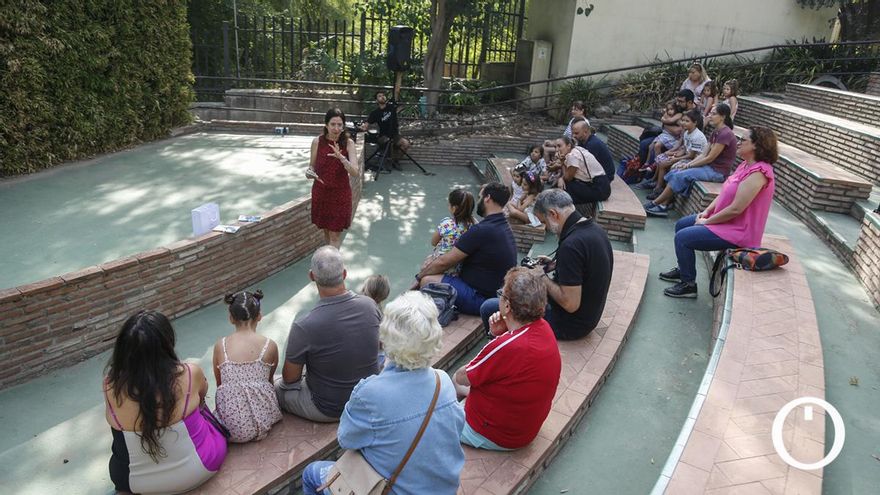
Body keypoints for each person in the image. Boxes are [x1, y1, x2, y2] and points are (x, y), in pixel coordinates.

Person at [301, 291, 465, 495]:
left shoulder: (370, 392)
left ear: (386, 335)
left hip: (391, 489)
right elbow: (455, 430)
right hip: (444, 489)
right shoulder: (443, 381)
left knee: (311, 473)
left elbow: (347, 439)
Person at [104, 310, 227, 494]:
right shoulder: (190, 373)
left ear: (122, 350)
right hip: (200, 469)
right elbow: (202, 398)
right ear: (167, 344)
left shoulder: (110, 385)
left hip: (134, 484)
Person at [659, 126, 778, 298]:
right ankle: (684, 268)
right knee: (682, 224)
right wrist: (707, 211)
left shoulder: (759, 173)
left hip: (740, 231)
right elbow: (724, 193)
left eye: (742, 140)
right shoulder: (745, 165)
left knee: (683, 238)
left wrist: (707, 221)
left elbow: (737, 209)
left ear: (756, 145)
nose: (737, 143)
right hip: (725, 221)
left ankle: (688, 285)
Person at [480, 189, 614, 340]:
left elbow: (570, 304)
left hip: (571, 325)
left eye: (544, 222)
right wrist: (556, 264)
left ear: (553, 214)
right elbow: (585, 269)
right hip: (589, 317)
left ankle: (503, 351)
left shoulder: (572, 245)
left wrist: (541, 276)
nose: (548, 228)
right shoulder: (595, 229)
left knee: (490, 307)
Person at [454, 268, 561, 450]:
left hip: (497, 435)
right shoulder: (544, 327)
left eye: (501, 295)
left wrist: (498, 339)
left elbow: (461, 376)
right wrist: (499, 335)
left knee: (447, 386)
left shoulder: (510, 344)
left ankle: (461, 419)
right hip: (524, 428)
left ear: (508, 306)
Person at [275, 246, 381, 422]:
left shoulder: (304, 325)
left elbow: (290, 378)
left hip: (329, 409)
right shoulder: (370, 305)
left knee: (275, 386)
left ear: (311, 276)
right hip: (369, 398)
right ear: (344, 274)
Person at [417, 182, 517, 315]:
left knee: (427, 281)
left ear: (487, 198)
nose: (479, 201)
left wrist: (418, 278)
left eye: (480, 197)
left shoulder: (482, 230)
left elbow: (443, 262)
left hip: (479, 298)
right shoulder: (502, 225)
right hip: (493, 291)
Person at [643, 103, 738, 217]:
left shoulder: (725, 134)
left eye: (713, 114)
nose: (710, 116)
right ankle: (664, 204)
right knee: (675, 171)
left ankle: (655, 204)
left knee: (680, 175)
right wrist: (687, 165)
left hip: (717, 171)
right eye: (710, 113)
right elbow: (703, 154)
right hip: (708, 167)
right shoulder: (715, 132)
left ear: (723, 116)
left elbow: (710, 158)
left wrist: (688, 166)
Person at [213, 290, 283, 443]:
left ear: (231, 318)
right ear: (259, 316)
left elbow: (220, 385)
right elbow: (269, 381)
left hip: (231, 429)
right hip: (263, 421)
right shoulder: (269, 345)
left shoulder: (220, 346)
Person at [307, 108, 360, 248]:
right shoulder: (317, 142)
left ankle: (334, 268)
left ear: (343, 126)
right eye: (333, 124)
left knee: (334, 236)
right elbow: (311, 167)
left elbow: (355, 172)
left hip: (340, 194)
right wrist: (309, 172)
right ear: (326, 125)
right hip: (321, 193)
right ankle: (329, 264)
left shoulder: (348, 143)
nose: (336, 128)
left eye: (340, 125)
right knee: (326, 232)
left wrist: (342, 158)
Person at [644, 110, 707, 198]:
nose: (684, 123)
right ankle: (658, 185)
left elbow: (691, 155)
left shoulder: (697, 136)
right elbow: (685, 148)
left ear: (695, 123)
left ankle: (660, 190)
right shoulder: (687, 132)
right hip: (686, 156)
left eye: (687, 121)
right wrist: (672, 153)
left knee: (666, 165)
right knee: (661, 158)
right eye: (683, 120)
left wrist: (675, 159)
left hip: (694, 160)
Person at [420, 188, 476, 277]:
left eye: (449, 204)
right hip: (459, 266)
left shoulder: (447, 223)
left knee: (424, 268)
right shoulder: (474, 225)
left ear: (454, 208)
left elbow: (433, 242)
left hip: (441, 263)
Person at [555, 136, 611, 205]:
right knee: (563, 188)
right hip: (601, 185)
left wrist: (562, 163)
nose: (557, 150)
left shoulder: (573, 155)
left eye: (559, 146)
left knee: (566, 189)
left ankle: (566, 212)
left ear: (569, 146)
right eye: (555, 147)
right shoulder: (576, 149)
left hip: (600, 189)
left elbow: (567, 178)